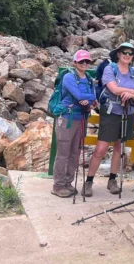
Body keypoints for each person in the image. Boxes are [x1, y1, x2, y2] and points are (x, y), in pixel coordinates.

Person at [83, 43, 134, 197]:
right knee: (101, 149)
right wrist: (133, 91)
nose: (127, 55)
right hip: (111, 112)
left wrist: (132, 95)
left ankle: (112, 180)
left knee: (119, 148)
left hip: (128, 112)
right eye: (124, 52)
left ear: (133, 56)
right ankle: (88, 181)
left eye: (130, 53)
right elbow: (114, 89)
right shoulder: (110, 69)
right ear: (118, 54)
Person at [52, 50, 96, 198]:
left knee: (75, 153)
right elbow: (78, 95)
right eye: (81, 61)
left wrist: (88, 99)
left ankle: (68, 183)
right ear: (75, 62)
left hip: (81, 118)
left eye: (87, 61)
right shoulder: (69, 77)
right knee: (63, 153)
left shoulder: (88, 79)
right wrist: (87, 98)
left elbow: (93, 97)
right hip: (67, 118)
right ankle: (58, 185)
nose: (84, 64)